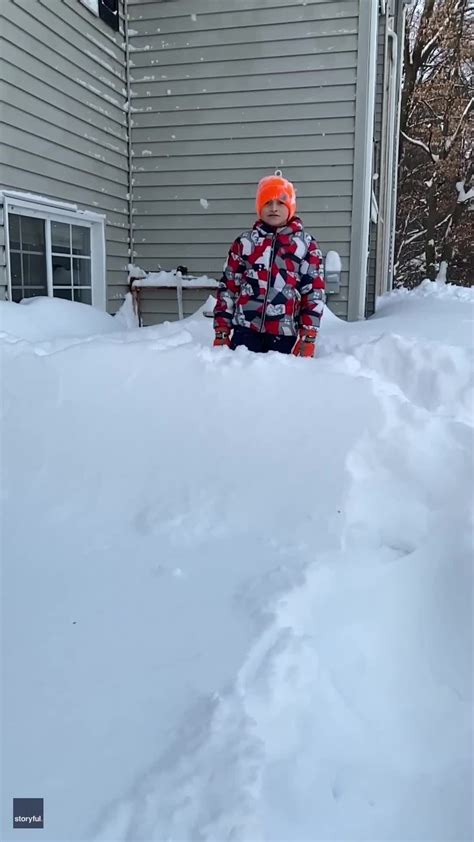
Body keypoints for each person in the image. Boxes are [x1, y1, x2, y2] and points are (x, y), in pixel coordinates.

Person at [213, 172, 325, 357]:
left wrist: (309, 335)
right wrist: (222, 330)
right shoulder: (245, 243)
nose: (274, 208)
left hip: (284, 333)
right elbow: (229, 288)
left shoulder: (305, 245)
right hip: (245, 331)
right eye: (267, 202)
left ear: (290, 207)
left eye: (281, 202)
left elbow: (314, 292)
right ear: (259, 207)